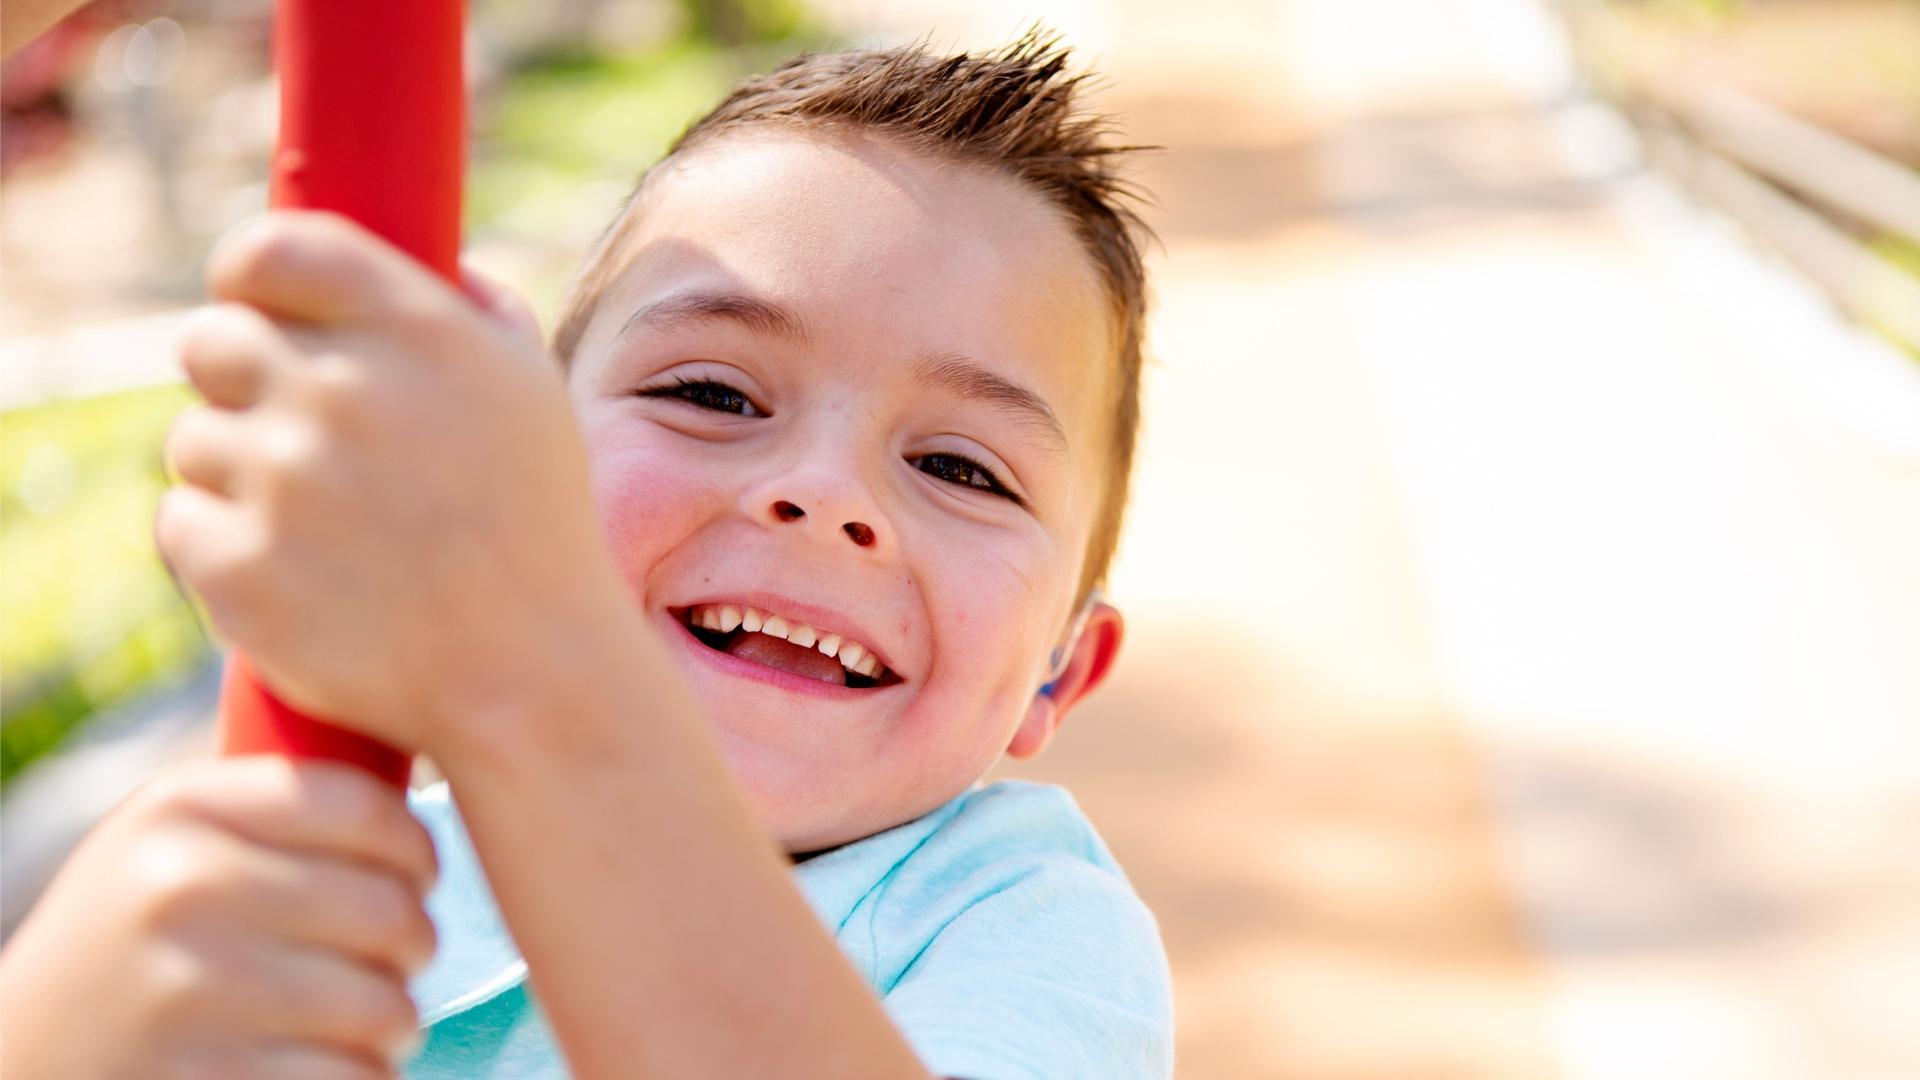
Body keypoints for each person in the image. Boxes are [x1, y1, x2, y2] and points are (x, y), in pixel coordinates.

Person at [0, 32, 1171, 1079]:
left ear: (1061, 671)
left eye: (962, 468)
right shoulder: (321, 842)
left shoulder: (1023, 926)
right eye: (711, 391)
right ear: (530, 466)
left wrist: (532, 677)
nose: (821, 494)